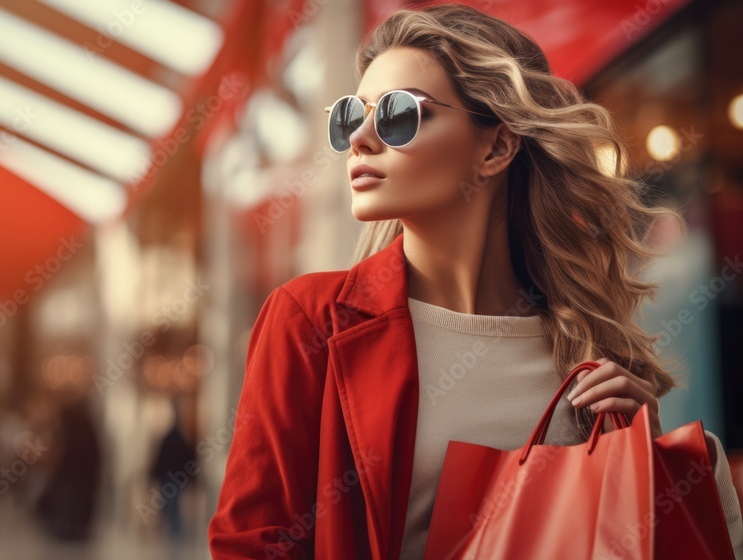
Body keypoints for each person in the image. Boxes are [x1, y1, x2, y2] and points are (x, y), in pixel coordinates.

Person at [208, 5, 743, 560]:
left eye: (396, 115)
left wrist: (645, 458)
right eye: (350, 117)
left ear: (496, 147)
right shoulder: (309, 319)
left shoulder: (584, 352)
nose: (360, 140)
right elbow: (251, 544)